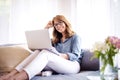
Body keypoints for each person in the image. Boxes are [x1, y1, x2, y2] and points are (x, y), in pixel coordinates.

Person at [0, 15, 82, 80]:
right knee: (38, 52)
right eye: (56, 25)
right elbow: (42, 43)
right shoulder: (56, 40)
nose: (58, 26)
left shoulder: (75, 37)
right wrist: (46, 28)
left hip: (73, 65)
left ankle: (18, 77)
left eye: (60, 23)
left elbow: (75, 55)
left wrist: (60, 55)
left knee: (46, 54)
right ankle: (11, 74)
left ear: (65, 22)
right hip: (61, 64)